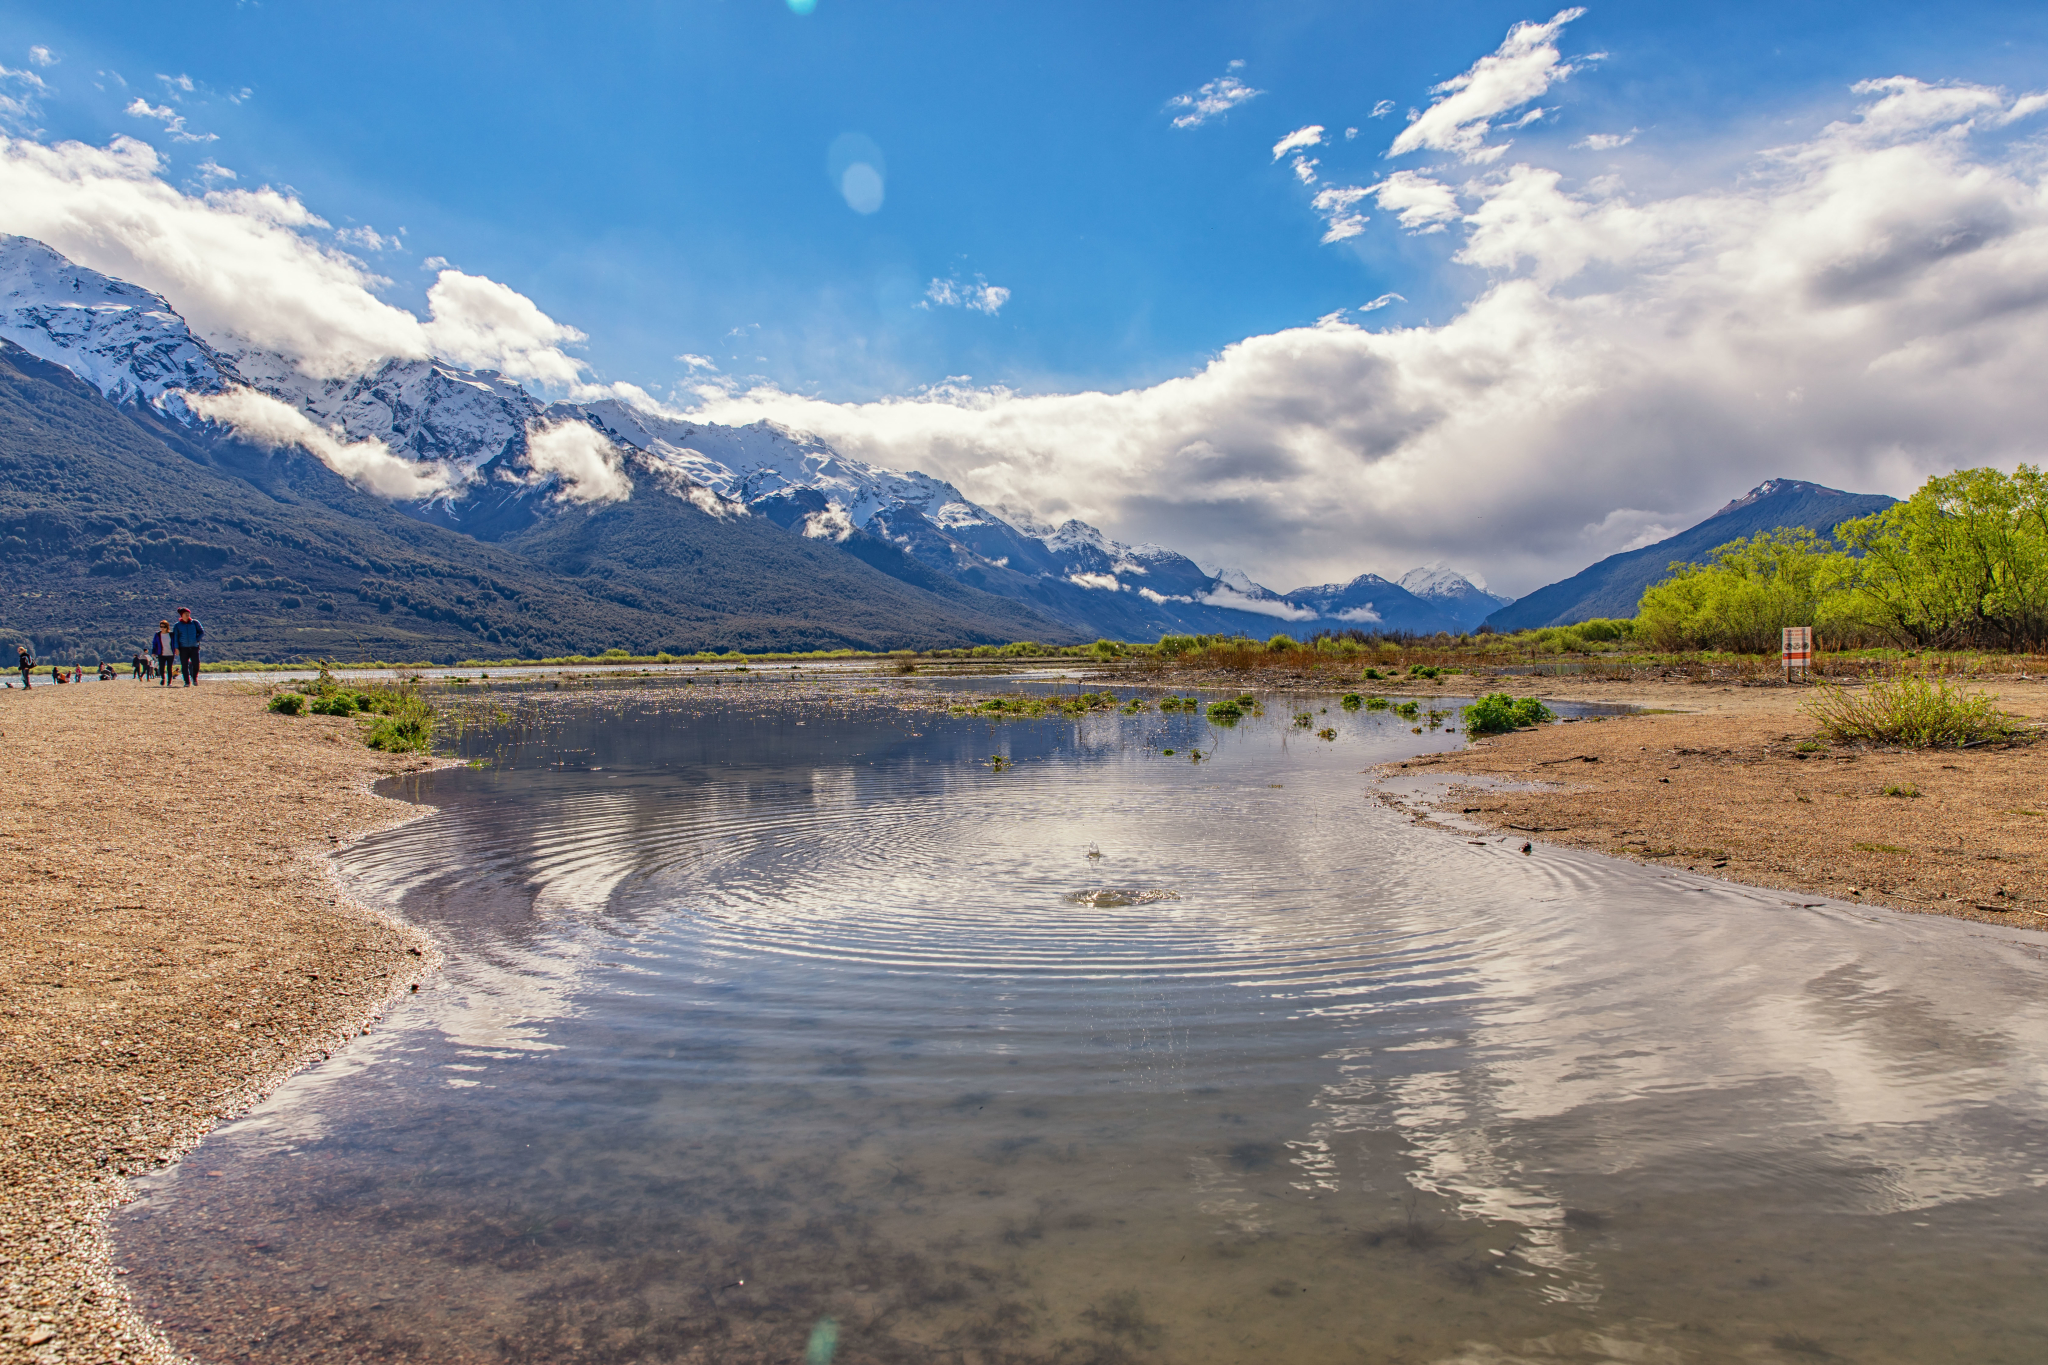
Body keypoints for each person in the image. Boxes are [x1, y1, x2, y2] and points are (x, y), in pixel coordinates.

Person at [170, 607, 204, 687]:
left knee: (196, 664)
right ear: (181, 615)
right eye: (185, 614)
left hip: (194, 647)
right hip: (183, 648)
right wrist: (176, 648)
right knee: (184, 665)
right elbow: (176, 637)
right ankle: (187, 682)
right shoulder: (177, 625)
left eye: (188, 613)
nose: (187, 615)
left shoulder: (195, 623)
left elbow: (202, 632)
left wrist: (197, 640)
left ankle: (194, 678)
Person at [149, 620, 175, 687]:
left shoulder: (171, 634)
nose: (162, 628)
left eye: (164, 626)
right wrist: (154, 652)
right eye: (161, 626)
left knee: (169, 668)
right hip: (161, 654)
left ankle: (169, 682)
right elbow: (154, 643)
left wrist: (177, 650)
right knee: (161, 668)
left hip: (170, 654)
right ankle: (163, 679)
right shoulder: (157, 634)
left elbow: (175, 643)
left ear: (167, 627)